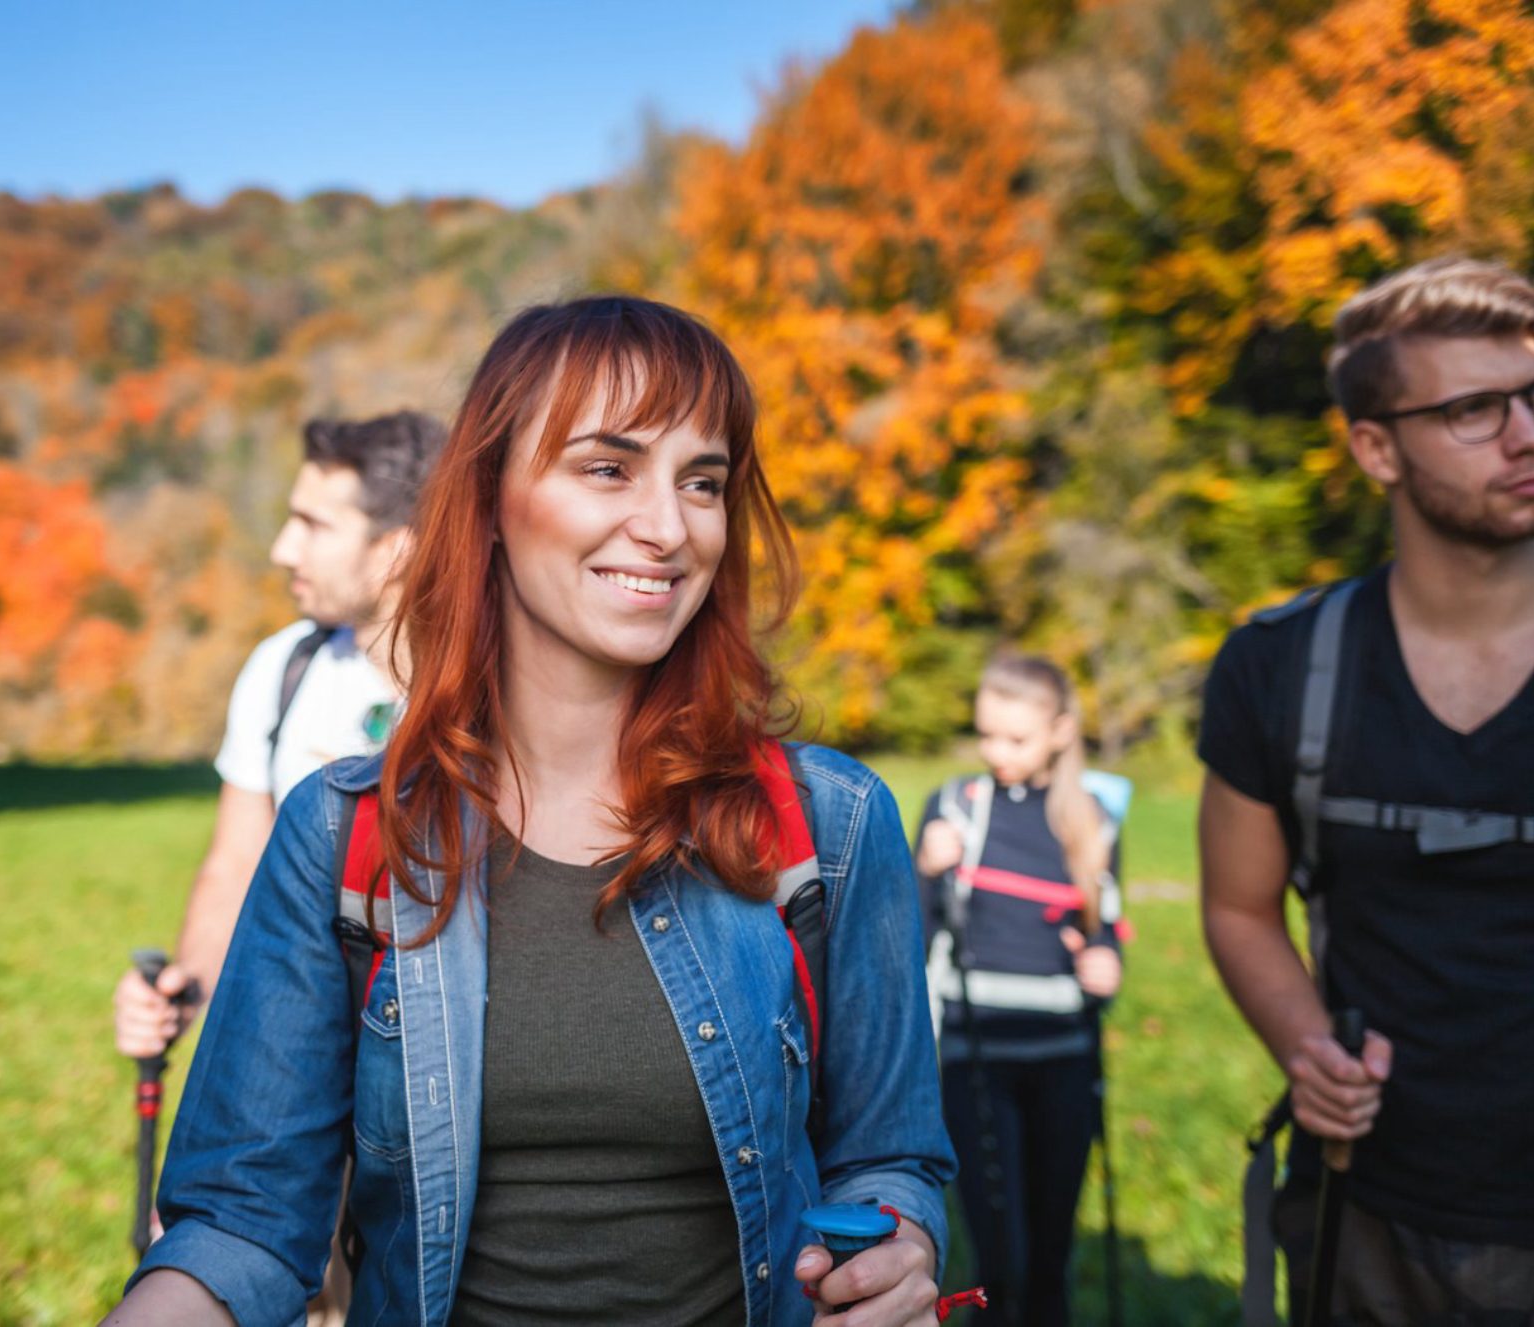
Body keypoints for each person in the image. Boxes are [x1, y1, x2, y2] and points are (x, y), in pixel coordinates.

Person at [99, 295, 956, 1326]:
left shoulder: (829, 823)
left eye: (703, 480)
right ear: (490, 495)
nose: (670, 525)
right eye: (608, 467)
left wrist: (896, 1241)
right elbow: (242, 1219)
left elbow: (886, 1158)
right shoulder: (341, 836)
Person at [1198, 256, 1534, 1323]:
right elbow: (1239, 907)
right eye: (1475, 408)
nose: (1532, 434)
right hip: (1364, 1217)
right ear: (1374, 447)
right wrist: (1304, 1047)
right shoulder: (1277, 667)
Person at [112, 409, 445, 1059]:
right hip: (300, 1059)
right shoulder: (284, 668)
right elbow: (238, 862)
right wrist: (183, 993)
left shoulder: (498, 687)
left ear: (398, 547)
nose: (283, 548)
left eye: (314, 526)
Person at [913, 655, 1125, 1327]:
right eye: (986, 735)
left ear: (1060, 731)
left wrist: (1106, 964)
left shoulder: (1090, 817)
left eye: (1016, 738)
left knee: (1051, 1252)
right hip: (978, 1054)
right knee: (1000, 1253)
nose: (996, 753)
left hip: (1065, 1051)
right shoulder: (953, 809)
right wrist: (925, 870)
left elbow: (1105, 927)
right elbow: (914, 934)